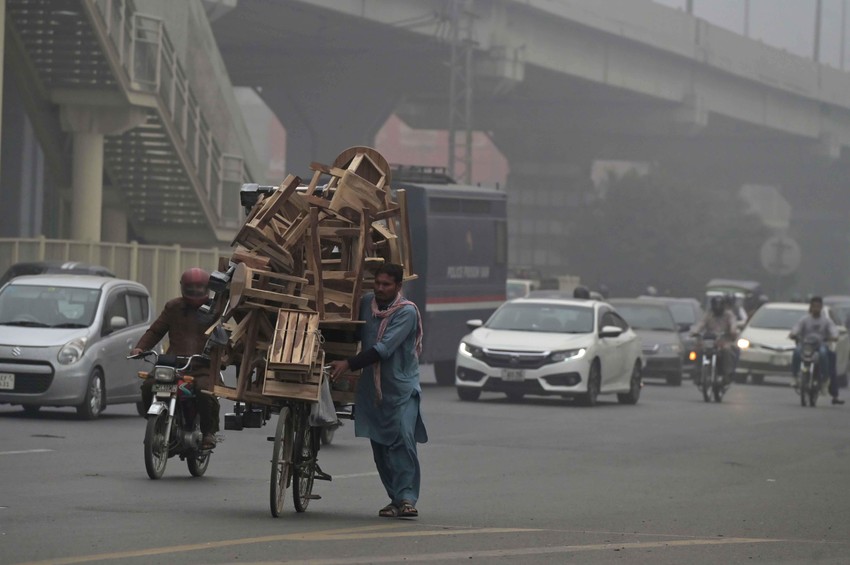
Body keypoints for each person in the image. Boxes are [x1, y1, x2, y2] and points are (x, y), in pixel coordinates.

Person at [329, 263, 427, 519]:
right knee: (380, 446)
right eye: (378, 283)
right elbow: (350, 329)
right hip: (371, 390)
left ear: (398, 286)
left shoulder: (406, 312)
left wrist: (349, 364)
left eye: (387, 285)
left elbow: (383, 349)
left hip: (401, 388)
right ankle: (395, 499)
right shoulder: (366, 303)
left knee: (403, 439)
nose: (381, 289)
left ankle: (407, 498)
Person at [131, 268, 222, 448]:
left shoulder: (215, 309)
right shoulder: (173, 307)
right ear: (182, 288)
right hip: (173, 364)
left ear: (207, 289)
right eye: (191, 288)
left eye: (199, 288)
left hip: (202, 365)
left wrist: (224, 354)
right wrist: (140, 347)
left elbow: (228, 333)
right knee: (149, 386)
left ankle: (208, 433)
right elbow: (156, 331)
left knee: (206, 393)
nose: (195, 292)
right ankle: (156, 422)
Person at [790, 296, 844, 405]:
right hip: (806, 346)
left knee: (824, 354)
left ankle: (825, 380)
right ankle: (795, 376)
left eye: (818, 307)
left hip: (820, 346)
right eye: (814, 306)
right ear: (810, 307)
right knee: (796, 352)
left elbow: (834, 332)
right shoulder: (804, 320)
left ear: (821, 307)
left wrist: (833, 337)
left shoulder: (826, 321)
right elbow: (796, 329)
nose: (816, 309)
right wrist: (793, 334)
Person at [691, 295, 739, 385]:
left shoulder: (729, 315)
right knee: (698, 350)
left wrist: (732, 331)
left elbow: (733, 324)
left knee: (727, 350)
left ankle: (727, 374)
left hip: (724, 340)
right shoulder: (709, 314)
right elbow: (701, 324)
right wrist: (695, 331)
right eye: (716, 305)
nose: (717, 307)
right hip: (710, 341)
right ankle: (698, 373)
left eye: (720, 305)